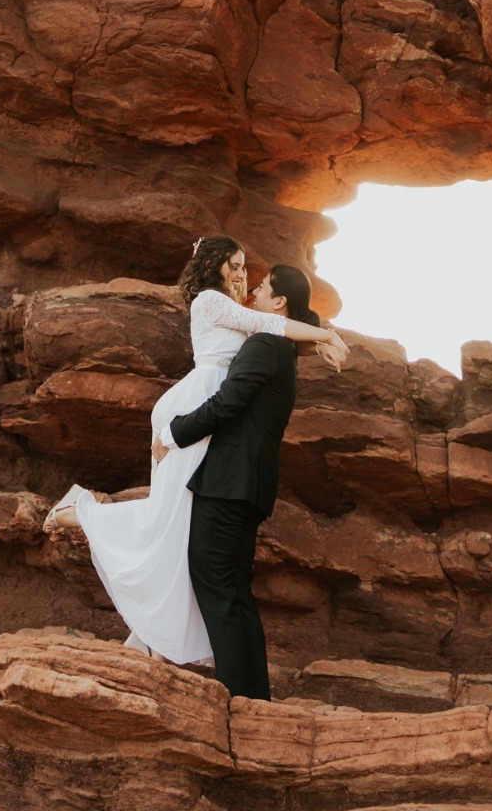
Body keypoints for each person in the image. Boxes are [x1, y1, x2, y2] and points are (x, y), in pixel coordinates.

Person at [43, 237, 345, 666]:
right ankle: (82, 510)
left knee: (178, 522)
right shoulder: (210, 300)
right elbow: (276, 326)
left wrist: (318, 341)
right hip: (194, 407)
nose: (243, 275)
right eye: (235, 266)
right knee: (168, 517)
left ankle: (146, 636)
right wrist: (326, 334)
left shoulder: (239, 312)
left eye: (246, 267)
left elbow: (277, 332)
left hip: (205, 410)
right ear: (215, 266)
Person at [155, 263, 321, 702]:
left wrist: (173, 433)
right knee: (233, 592)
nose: (255, 293)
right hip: (249, 484)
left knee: (218, 587)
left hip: (229, 483)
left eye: (263, 287)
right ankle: (252, 698)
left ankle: (239, 700)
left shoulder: (267, 343)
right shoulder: (282, 349)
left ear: (280, 301)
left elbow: (227, 402)